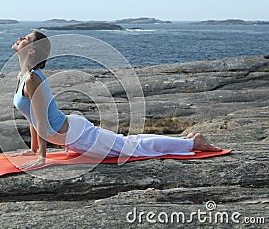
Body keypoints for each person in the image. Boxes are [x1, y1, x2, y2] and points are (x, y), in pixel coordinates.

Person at [11, 31, 222, 169]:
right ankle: (188, 141)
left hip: (78, 136)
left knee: (132, 146)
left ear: (31, 50)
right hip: (71, 135)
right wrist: (34, 149)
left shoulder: (32, 79)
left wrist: (42, 158)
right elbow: (32, 118)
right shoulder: (23, 77)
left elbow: (41, 122)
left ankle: (193, 143)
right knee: (130, 143)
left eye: (26, 39)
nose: (21, 38)